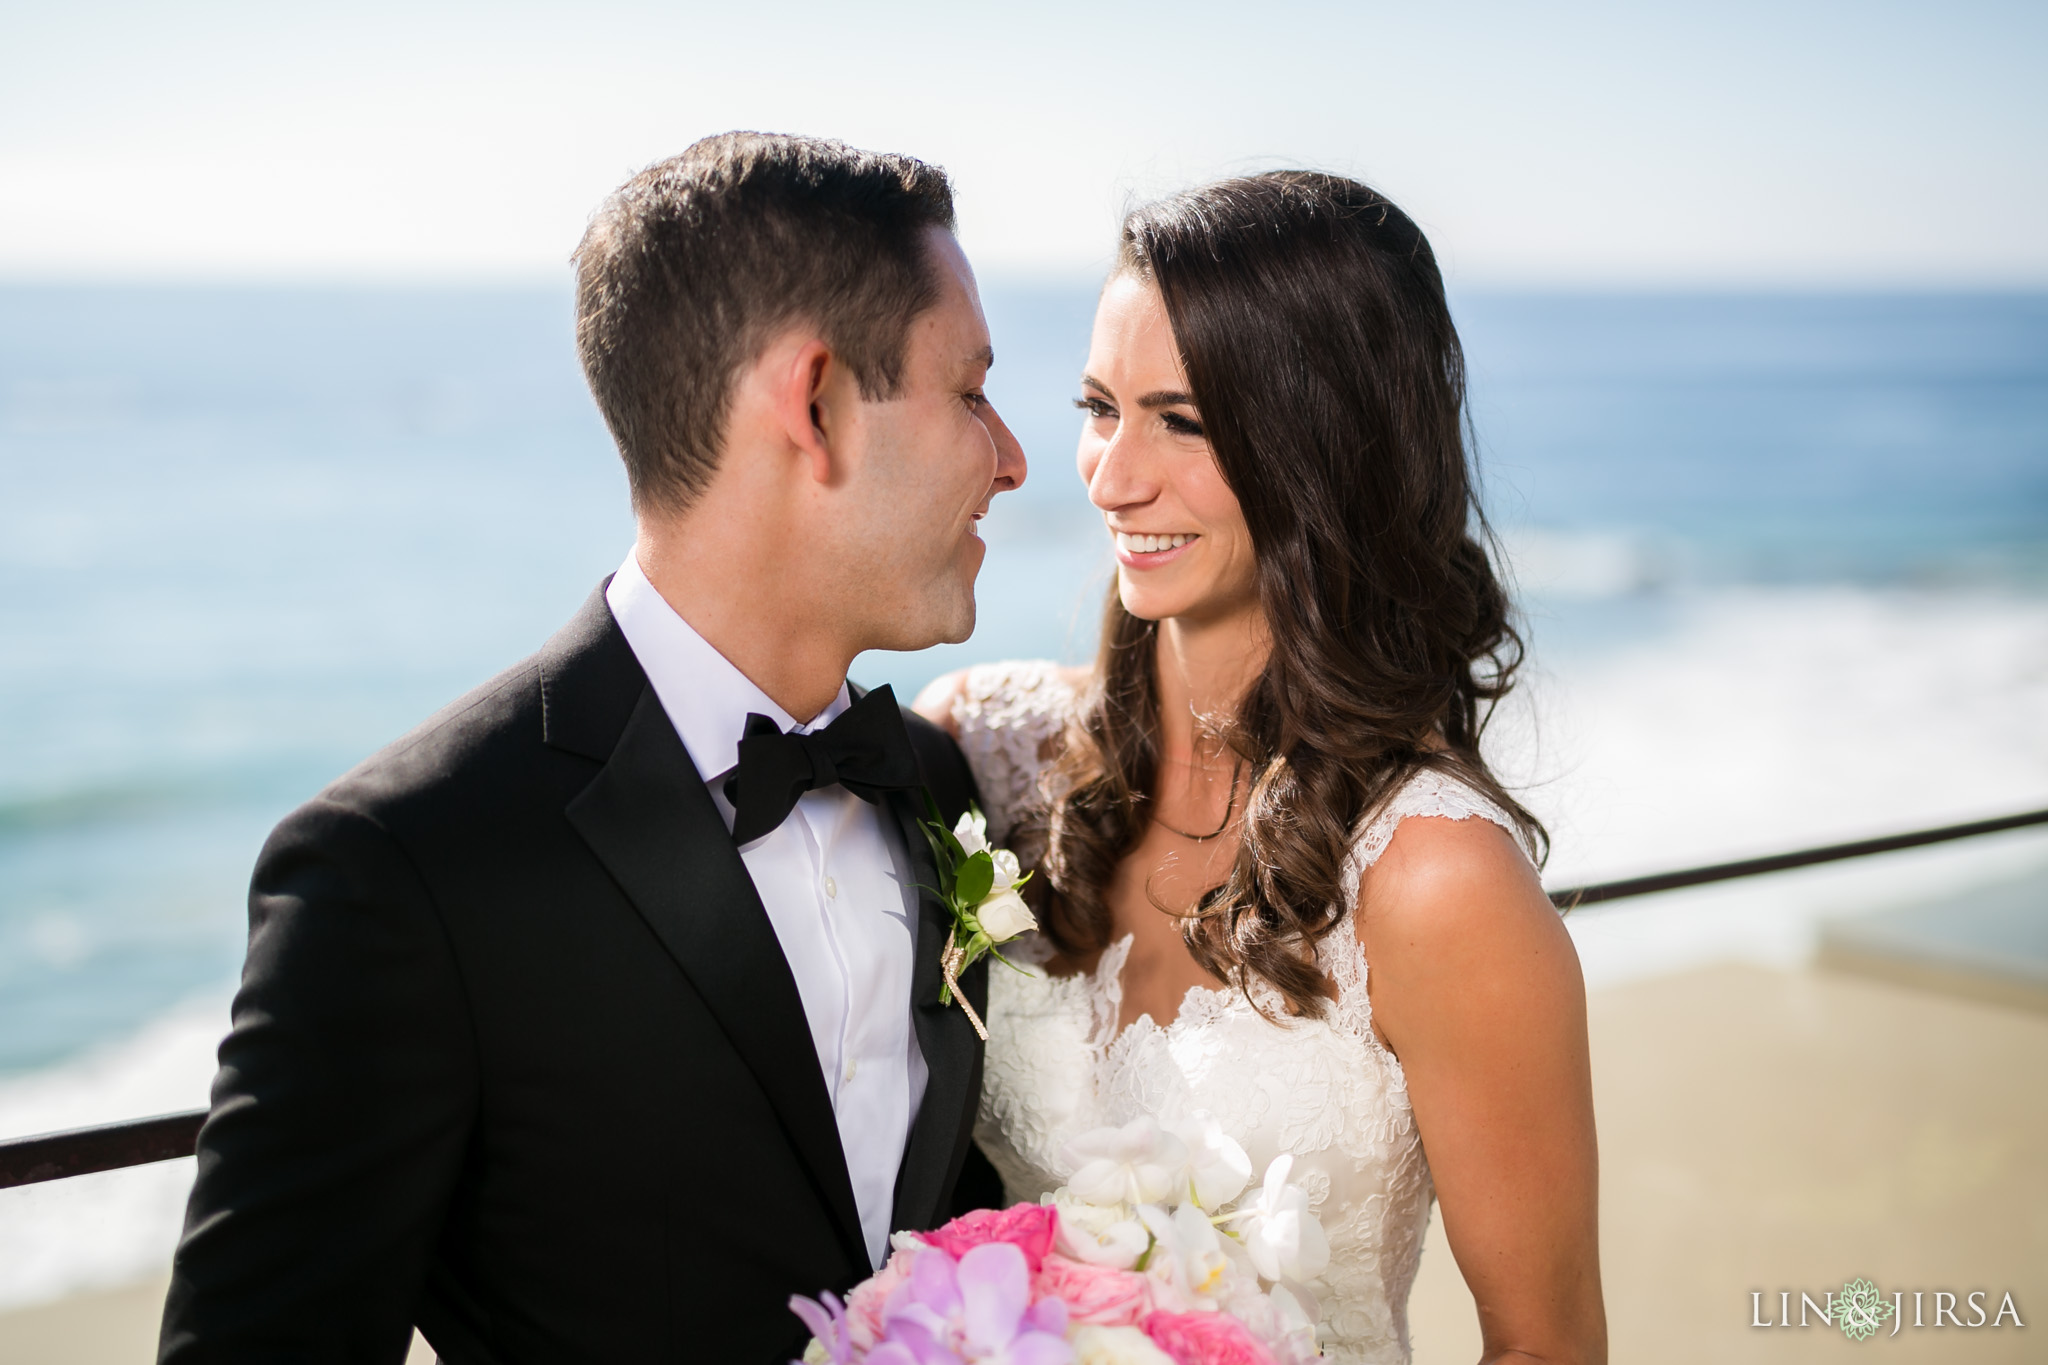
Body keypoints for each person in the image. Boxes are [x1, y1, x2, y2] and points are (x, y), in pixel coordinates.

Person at [160, 132, 1026, 1364]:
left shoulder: (932, 782)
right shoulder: (405, 868)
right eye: (970, 392)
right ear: (817, 403)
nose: (1010, 459)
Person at [918, 173, 1605, 1364]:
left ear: (1323, 445)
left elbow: (1546, 1347)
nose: (1109, 475)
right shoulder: (982, 751)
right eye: (1097, 406)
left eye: (1180, 422)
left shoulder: (1438, 885)